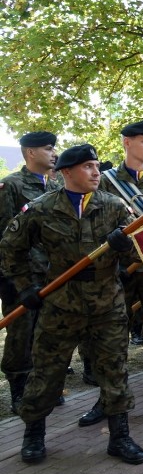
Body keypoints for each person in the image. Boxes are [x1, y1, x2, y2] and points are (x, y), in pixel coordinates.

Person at [0, 144, 143, 464]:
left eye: (96, 166)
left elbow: (140, 254)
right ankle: (34, 433)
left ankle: (119, 436)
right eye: (88, 167)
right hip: (61, 304)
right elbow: (10, 247)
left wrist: (127, 245)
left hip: (107, 304)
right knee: (47, 372)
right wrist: (26, 286)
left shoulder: (114, 206)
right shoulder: (40, 208)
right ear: (67, 172)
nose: (96, 172)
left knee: (114, 371)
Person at [81, 120, 143, 426]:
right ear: (127, 142)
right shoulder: (106, 180)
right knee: (111, 335)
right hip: (117, 270)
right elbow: (92, 223)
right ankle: (107, 398)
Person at [0, 131, 63, 414]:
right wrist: (13, 279)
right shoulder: (11, 185)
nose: (54, 153)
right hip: (22, 277)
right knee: (21, 335)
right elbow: (4, 236)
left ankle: (44, 386)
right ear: (30, 153)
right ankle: (19, 388)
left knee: (48, 333)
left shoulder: (59, 184)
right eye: (48, 149)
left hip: (54, 274)